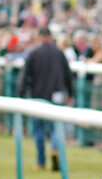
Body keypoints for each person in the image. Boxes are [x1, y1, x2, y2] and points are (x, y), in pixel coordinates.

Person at [17, 27, 74, 170]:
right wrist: (71, 94)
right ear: (50, 36)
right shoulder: (59, 53)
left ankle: (41, 162)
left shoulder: (33, 53)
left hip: (38, 96)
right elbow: (68, 75)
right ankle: (54, 149)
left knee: (39, 131)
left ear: (40, 37)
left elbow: (24, 78)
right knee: (56, 128)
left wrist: (21, 96)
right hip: (57, 95)